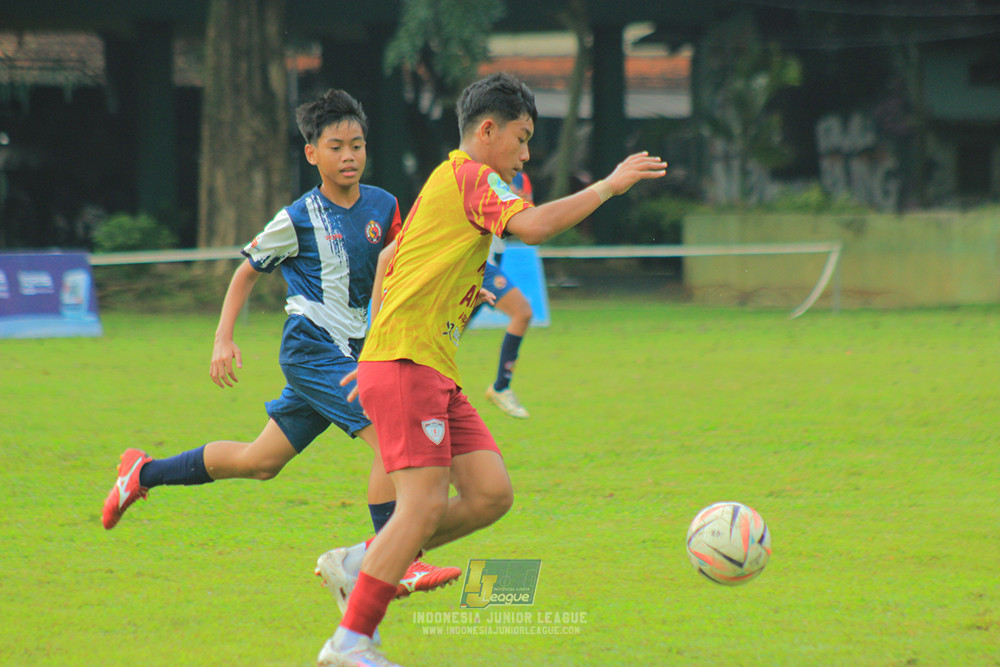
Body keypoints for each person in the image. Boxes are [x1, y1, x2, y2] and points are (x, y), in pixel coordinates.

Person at [312, 73, 666, 667]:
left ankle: (359, 561)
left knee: (489, 494)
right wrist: (608, 186)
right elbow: (531, 228)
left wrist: (373, 347)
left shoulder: (444, 183)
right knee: (421, 505)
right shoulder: (472, 176)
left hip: (425, 367)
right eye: (522, 139)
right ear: (487, 130)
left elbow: (394, 259)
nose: (526, 154)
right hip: (409, 365)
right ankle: (350, 643)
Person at [99, 88, 461, 598]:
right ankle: (399, 558)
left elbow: (403, 263)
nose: (349, 155)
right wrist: (223, 338)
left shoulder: (384, 204)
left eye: (357, 145)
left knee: (259, 462)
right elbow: (246, 272)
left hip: (354, 353)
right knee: (391, 435)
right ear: (312, 153)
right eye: (336, 146)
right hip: (311, 348)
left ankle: (142, 473)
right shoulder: (296, 217)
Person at [479, 170, 534, 419]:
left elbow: (528, 218)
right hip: (478, 265)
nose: (523, 152)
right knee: (522, 312)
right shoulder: (477, 175)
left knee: (447, 337)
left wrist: (521, 203)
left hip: (491, 261)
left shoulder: (519, 177)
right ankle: (501, 387)